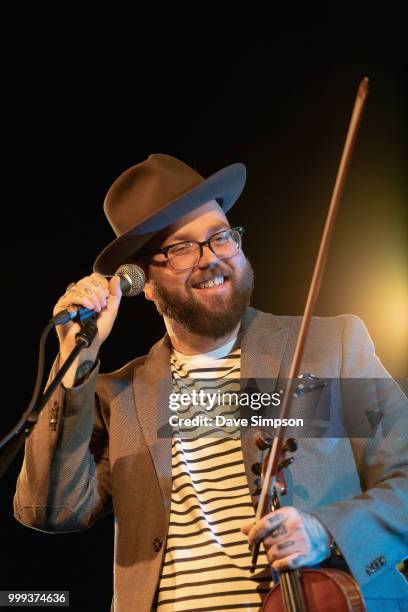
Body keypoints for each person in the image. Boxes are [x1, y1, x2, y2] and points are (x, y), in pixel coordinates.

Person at [14, 154, 408, 611]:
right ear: (142, 280)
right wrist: (75, 359)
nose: (210, 259)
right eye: (180, 248)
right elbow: (48, 508)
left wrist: (328, 531)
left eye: (220, 237)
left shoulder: (326, 349)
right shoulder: (119, 398)